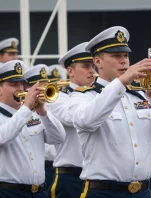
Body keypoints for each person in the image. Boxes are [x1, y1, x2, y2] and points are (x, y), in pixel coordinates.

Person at [69, 26, 151, 198]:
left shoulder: (139, 96)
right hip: (103, 192)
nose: (123, 61)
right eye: (116, 56)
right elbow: (86, 121)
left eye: (125, 55)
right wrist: (122, 81)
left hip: (143, 191)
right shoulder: (84, 96)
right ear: (98, 61)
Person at [0, 60, 65, 198]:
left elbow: (59, 138)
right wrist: (26, 108)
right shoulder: (25, 112)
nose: (20, 88)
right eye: (13, 85)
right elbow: (3, 138)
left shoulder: (32, 113)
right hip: (8, 192)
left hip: (40, 192)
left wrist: (42, 111)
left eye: (21, 84)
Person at [46, 42, 96, 198]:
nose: (92, 72)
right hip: (70, 176)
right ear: (70, 71)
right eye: (86, 66)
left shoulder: (98, 96)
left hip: (96, 176)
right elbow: (73, 118)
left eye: (93, 66)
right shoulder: (57, 97)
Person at [23, 63, 58, 193]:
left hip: (51, 166)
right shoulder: (23, 111)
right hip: (41, 165)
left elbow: (59, 137)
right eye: (39, 87)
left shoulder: (48, 106)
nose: (43, 90)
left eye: (45, 86)